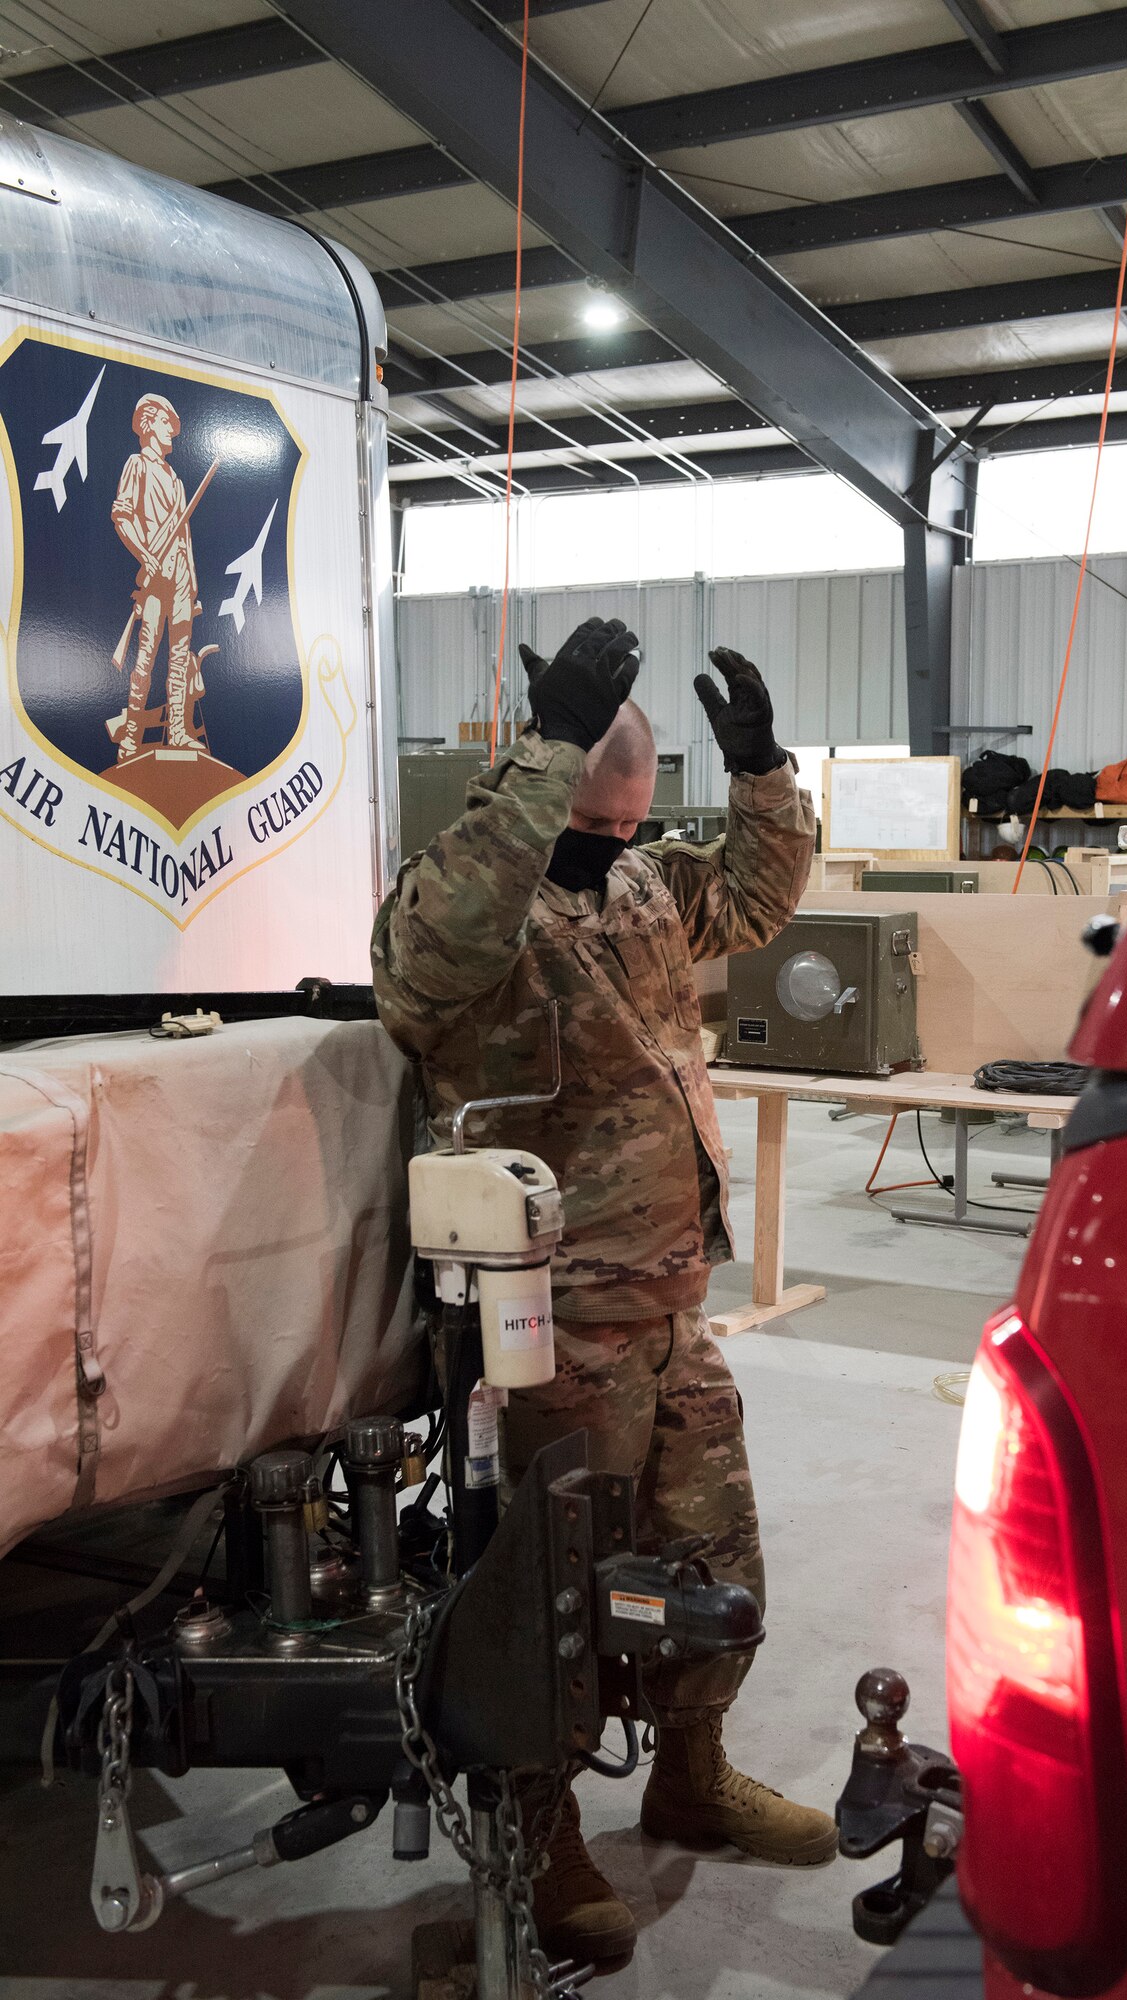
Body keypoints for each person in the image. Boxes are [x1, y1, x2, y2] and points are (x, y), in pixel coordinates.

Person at [371, 618, 829, 1966]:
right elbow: (428, 959)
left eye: (632, 823)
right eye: (600, 818)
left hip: (671, 1310)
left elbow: (756, 893)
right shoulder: (466, 906)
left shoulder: (637, 890)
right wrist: (549, 747)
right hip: (547, 1328)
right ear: (554, 787)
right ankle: (538, 1828)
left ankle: (691, 1766)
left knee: (707, 1565)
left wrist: (757, 770)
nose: (620, 845)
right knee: (551, 1598)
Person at [110, 392, 201, 760]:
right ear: (149, 424)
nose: (172, 433)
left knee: (179, 656)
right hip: (154, 574)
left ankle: (177, 732)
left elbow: (185, 537)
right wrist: (146, 557)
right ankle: (131, 738)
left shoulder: (177, 482)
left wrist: (191, 580)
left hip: (179, 575)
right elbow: (122, 515)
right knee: (146, 657)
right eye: (166, 423)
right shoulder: (138, 465)